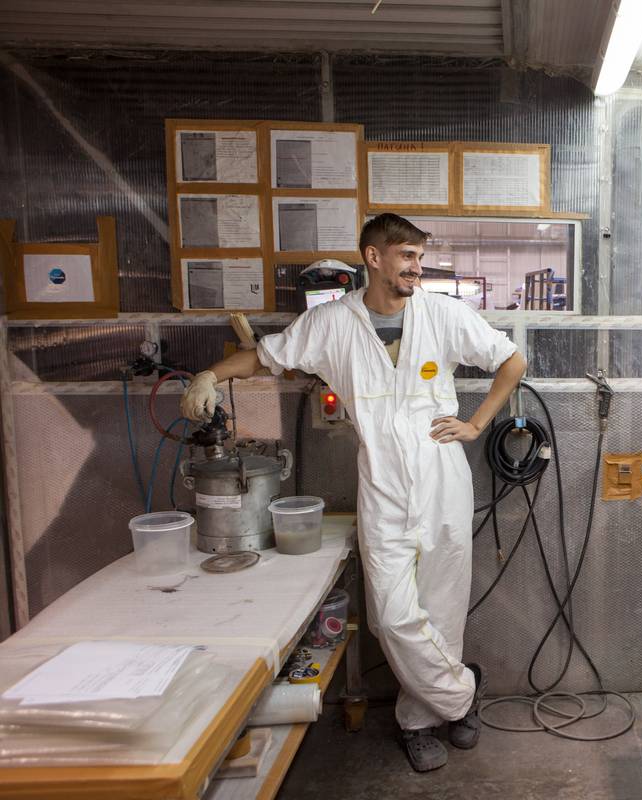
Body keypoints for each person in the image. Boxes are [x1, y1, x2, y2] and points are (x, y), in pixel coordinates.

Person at [180, 214, 527, 772]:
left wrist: (477, 423)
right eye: (407, 256)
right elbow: (264, 356)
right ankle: (462, 694)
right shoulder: (332, 323)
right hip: (382, 482)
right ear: (373, 257)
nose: (417, 268)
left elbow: (512, 359)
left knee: (443, 607)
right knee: (392, 616)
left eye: (420, 258)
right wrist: (209, 376)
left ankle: (420, 720)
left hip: (442, 476)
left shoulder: (444, 314)